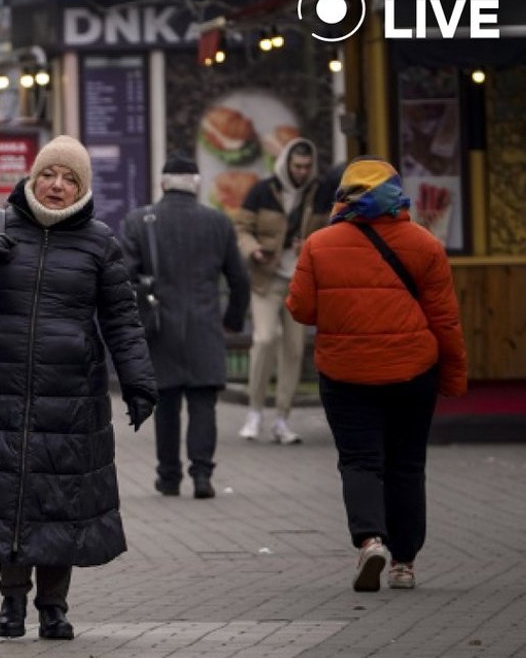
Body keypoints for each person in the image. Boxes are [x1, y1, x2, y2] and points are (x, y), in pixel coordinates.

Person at [0, 135, 156, 641]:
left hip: (71, 394)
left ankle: (53, 605)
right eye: (49, 174)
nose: (56, 185)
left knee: (60, 498)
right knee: (9, 492)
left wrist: (139, 382)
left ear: (82, 187)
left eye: (69, 178)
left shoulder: (100, 241)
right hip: (0, 387)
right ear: (33, 177)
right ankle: (12, 601)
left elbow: (122, 319)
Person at [286, 157, 467, 593]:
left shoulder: (319, 244)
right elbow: (445, 320)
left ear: (344, 197)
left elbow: (301, 308)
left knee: (360, 461)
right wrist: (454, 376)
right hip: (413, 370)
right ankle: (404, 563)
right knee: (406, 465)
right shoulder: (424, 244)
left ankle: (370, 541)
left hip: (345, 373)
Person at [122, 154, 249, 499]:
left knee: (165, 403)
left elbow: (123, 277)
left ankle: (169, 476)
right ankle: (203, 475)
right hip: (205, 326)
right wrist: (232, 321)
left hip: (160, 326)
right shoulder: (218, 223)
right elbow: (239, 279)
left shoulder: (139, 221)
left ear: (163, 183)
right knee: (203, 402)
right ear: (196, 184)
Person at [234, 137, 325, 444]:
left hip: (300, 280)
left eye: (307, 166)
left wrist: (310, 243)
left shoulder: (318, 191)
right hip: (267, 279)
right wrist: (254, 249)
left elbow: (330, 228)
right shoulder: (263, 190)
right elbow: (241, 228)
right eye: (297, 166)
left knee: (295, 349)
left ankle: (282, 419)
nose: (302, 172)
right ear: (286, 163)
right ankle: (254, 412)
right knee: (263, 339)